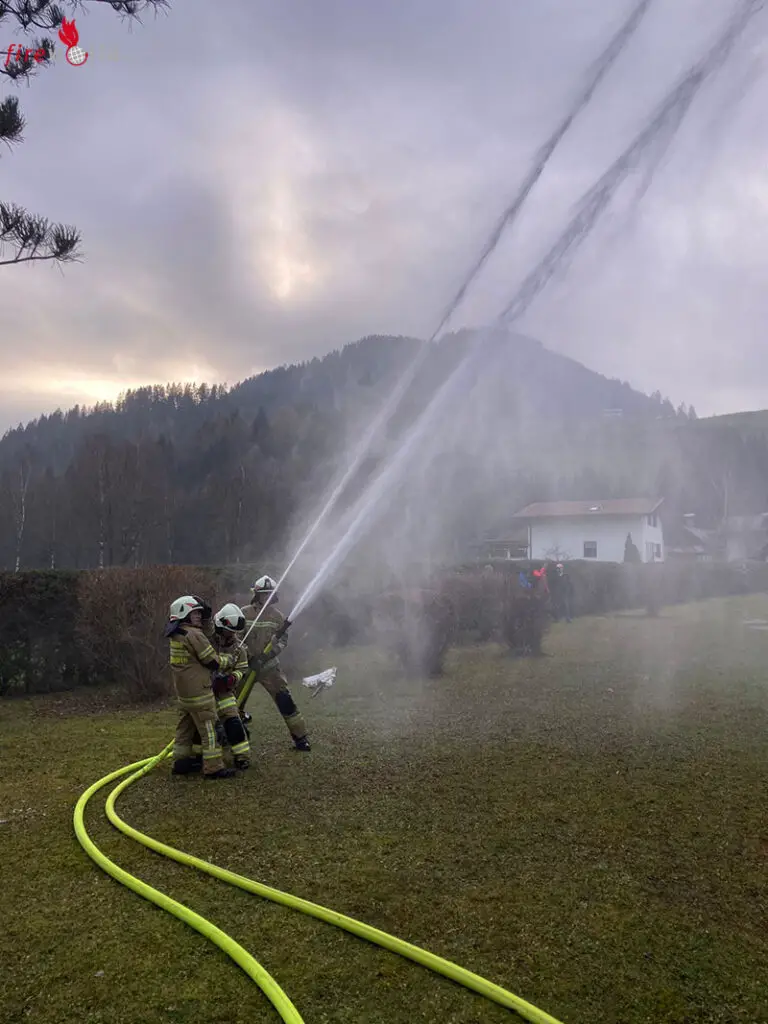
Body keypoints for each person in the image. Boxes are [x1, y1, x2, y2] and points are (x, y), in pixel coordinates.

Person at [164, 594, 238, 778]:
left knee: (184, 730)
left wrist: (206, 617)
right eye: (195, 613)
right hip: (200, 693)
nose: (199, 616)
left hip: (184, 694)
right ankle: (214, 768)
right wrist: (229, 659)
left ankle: (180, 763)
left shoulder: (176, 634)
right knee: (210, 731)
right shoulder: (194, 635)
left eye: (199, 613)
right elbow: (212, 661)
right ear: (184, 614)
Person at [240, 575, 311, 752]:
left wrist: (268, 655)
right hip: (245, 666)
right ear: (257, 595)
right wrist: (249, 656)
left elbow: (282, 641)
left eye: (270, 594)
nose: (267, 598)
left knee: (285, 700)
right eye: (264, 594)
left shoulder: (278, 617)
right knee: (233, 702)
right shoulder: (244, 613)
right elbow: (237, 638)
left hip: (269, 668)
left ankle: (300, 738)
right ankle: (236, 733)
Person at [209, 602, 252, 770]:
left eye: (235, 632)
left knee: (233, 721)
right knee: (201, 726)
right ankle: (195, 757)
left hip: (224, 692)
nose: (232, 635)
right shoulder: (207, 641)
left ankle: (242, 757)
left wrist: (232, 679)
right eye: (230, 631)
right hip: (204, 690)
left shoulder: (239, 648)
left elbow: (242, 668)